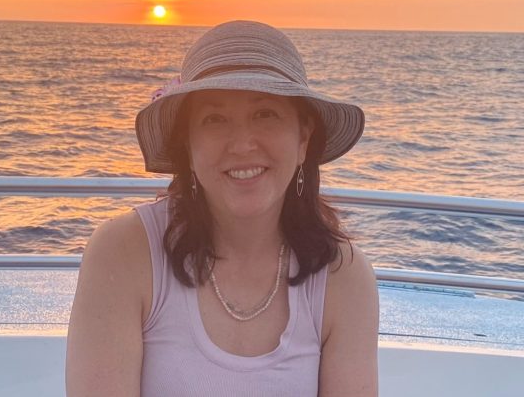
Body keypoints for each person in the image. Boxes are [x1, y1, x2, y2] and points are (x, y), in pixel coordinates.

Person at [66, 20, 379, 396]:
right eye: (214, 119)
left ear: (303, 138)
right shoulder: (122, 253)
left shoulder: (344, 275)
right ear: (188, 146)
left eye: (266, 114)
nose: (242, 144)